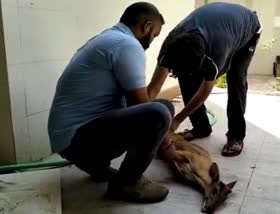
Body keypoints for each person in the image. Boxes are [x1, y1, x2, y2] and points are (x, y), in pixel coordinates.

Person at [48, 2, 175, 203]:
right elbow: (140, 105)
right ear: (146, 26)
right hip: (79, 140)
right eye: (155, 35)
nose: (151, 41)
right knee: (160, 113)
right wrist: (168, 146)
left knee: (157, 108)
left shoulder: (107, 38)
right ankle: (127, 183)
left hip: (70, 140)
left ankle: (98, 168)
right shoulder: (127, 44)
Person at [147, 2, 262, 157]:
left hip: (248, 27)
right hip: (218, 23)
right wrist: (141, 119)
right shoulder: (170, 47)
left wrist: (177, 120)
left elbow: (204, 91)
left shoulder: (216, 54)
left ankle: (236, 136)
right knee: (187, 78)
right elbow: (153, 89)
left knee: (236, 79)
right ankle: (201, 128)